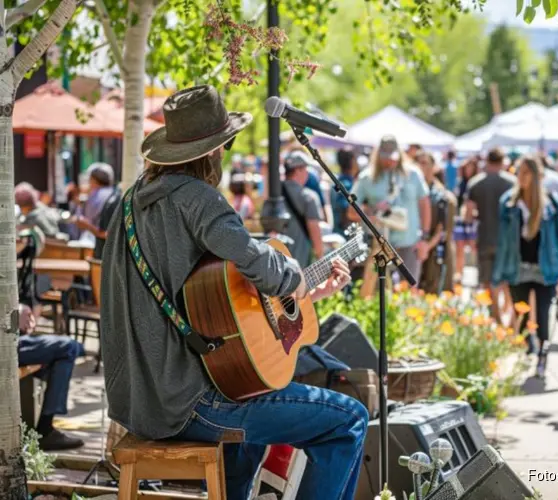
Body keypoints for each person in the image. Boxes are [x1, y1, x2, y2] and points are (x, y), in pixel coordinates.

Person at [100, 85, 367, 500]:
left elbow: (217, 311)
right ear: (214, 150)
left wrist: (309, 296)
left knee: (253, 395)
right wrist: (293, 275)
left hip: (139, 402)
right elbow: (257, 261)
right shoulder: (198, 199)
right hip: (190, 405)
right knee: (348, 420)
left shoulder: (130, 203)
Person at [491, 156, 558, 378]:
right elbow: (502, 240)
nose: (521, 176)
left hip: (545, 266)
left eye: (526, 172)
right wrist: (498, 270)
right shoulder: (508, 202)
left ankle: (543, 354)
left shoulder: (551, 202)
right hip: (517, 266)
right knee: (522, 314)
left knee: (544, 314)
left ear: (536, 176)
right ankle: (530, 349)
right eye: (519, 172)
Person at [349, 135, 431, 283]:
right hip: (380, 245)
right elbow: (351, 212)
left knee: (409, 289)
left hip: (410, 243)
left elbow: (425, 205)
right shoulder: (367, 178)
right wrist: (372, 211)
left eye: (393, 157)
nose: (390, 161)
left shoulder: (413, 174)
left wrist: (425, 238)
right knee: (378, 294)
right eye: (385, 157)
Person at [18, 303, 85, 450]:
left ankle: (45, 429)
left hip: (15, 338)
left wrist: (21, 309)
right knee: (69, 348)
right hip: (9, 343)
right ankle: (45, 429)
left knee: (70, 350)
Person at [464, 148, 516, 319]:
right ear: (502, 162)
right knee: (505, 277)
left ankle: (495, 313)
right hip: (507, 239)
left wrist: (470, 238)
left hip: (484, 236)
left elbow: (468, 216)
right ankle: (506, 310)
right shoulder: (512, 183)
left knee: (487, 278)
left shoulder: (476, 183)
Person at [416, 151, 457, 294]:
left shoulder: (444, 197)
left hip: (436, 255)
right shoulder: (410, 192)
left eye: (424, 163)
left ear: (434, 167)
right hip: (414, 251)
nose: (420, 167)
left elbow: (444, 231)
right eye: (417, 162)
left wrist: (426, 246)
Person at [281, 150, 325, 265]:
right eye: (306, 169)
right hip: (300, 262)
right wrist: (320, 257)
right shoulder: (309, 197)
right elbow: (315, 230)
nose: (308, 173)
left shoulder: (274, 194)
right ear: (298, 170)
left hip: (277, 263)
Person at [74, 163, 117, 245]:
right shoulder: (114, 193)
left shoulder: (95, 195)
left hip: (95, 243)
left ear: (93, 179)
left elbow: (82, 220)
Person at [453, 156, 480, 282]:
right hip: (460, 219)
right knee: (459, 246)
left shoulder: (477, 183)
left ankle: (478, 274)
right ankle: (459, 272)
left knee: (474, 247)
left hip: (473, 219)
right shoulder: (461, 183)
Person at [331, 148, 359, 235]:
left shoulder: (339, 181)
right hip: (346, 236)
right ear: (352, 161)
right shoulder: (347, 185)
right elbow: (345, 212)